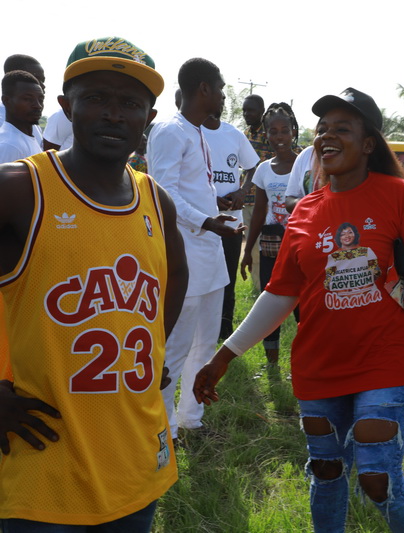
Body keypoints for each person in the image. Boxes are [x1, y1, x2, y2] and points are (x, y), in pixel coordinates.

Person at [193, 87, 404, 533]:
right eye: (322, 129)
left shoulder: (403, 198)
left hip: (388, 361)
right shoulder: (304, 210)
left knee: (378, 480)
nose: (327, 136)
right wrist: (224, 356)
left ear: (368, 143)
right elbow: (280, 294)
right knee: (325, 471)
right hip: (319, 366)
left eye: (343, 128)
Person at [0, 36, 188, 530]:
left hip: (135, 463)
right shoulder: (20, 188)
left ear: (148, 117)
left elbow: (174, 279)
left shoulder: (156, 201)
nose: (113, 114)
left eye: (130, 103)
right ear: (66, 108)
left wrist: (153, 350)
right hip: (44, 467)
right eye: (96, 98)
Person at [148, 57, 244, 440]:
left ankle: (191, 418)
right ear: (204, 89)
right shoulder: (170, 131)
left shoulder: (198, 131)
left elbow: (191, 188)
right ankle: (164, 429)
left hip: (210, 251)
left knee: (206, 341)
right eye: (220, 88)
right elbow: (163, 192)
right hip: (183, 252)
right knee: (176, 346)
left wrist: (213, 209)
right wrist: (206, 221)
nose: (223, 96)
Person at [241, 102, 299, 365]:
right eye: (273, 132)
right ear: (266, 134)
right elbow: (260, 214)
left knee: (302, 306)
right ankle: (272, 364)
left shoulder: (305, 166)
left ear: (293, 131)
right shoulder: (264, 169)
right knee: (270, 304)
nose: (279, 137)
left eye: (284, 131)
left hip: (299, 247)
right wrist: (247, 252)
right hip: (270, 247)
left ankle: (304, 360)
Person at [202, 112, 259, 340]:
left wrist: (242, 191)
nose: (221, 101)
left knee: (227, 277)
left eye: (223, 97)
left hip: (232, 220)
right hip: (201, 219)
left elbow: (253, 166)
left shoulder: (233, 134)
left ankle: (224, 333)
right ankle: (200, 332)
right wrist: (210, 197)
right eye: (218, 94)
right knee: (201, 277)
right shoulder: (191, 132)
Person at [241, 94, 272, 293]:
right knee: (251, 247)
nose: (246, 114)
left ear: (261, 111)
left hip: (266, 200)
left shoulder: (270, 133)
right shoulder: (244, 135)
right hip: (246, 200)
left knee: (267, 245)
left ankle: (268, 287)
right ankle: (258, 288)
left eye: (250, 110)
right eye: (244, 110)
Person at [0, 71, 43, 163]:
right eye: (28, 99)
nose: (38, 105)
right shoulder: (9, 145)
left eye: (40, 99)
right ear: (6, 101)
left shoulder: (25, 138)